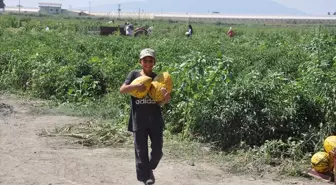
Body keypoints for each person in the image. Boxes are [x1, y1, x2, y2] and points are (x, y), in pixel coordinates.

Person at [119, 48, 171, 185]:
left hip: (155, 120)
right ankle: (145, 176)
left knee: (157, 151)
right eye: (145, 60)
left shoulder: (158, 78)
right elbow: (122, 90)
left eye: (150, 60)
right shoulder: (134, 74)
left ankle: (149, 168)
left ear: (154, 62)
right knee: (141, 151)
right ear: (140, 61)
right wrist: (136, 86)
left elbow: (159, 103)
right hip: (139, 120)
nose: (148, 63)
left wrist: (166, 98)